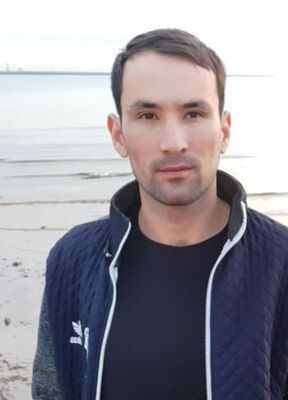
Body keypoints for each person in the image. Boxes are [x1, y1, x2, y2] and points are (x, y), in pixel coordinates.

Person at [31, 28, 288, 400]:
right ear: (118, 134)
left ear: (224, 130)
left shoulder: (280, 262)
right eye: (148, 115)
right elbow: (50, 390)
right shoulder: (73, 259)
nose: (173, 143)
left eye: (193, 113)